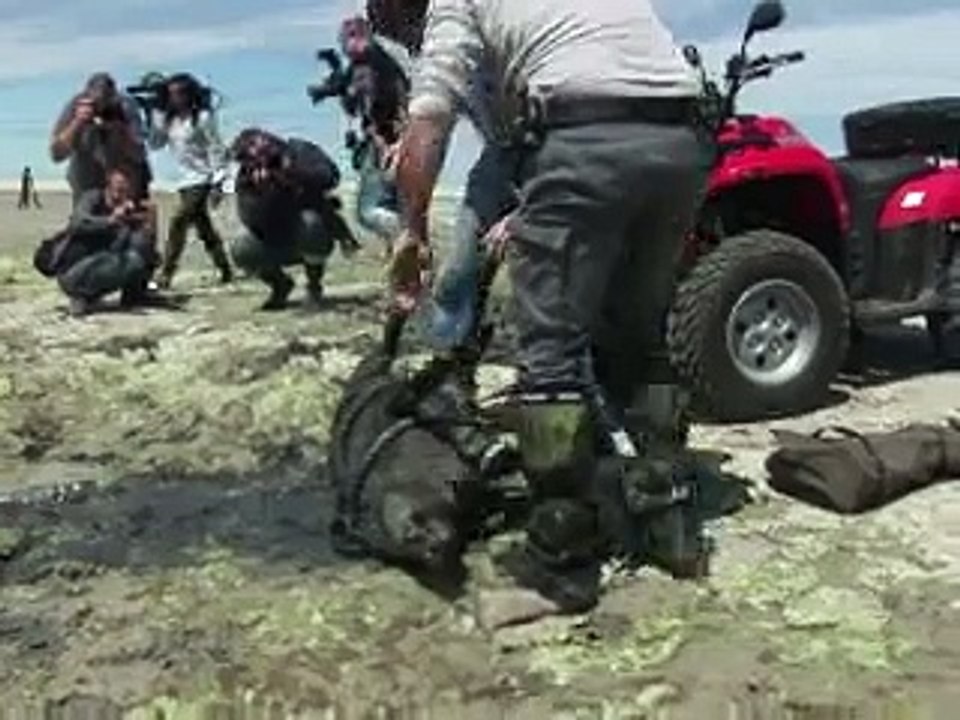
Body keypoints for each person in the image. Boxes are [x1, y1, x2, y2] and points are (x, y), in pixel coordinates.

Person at [382, 0, 713, 608]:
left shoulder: (454, 5)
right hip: (682, 140)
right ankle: (672, 522)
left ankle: (563, 548)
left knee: (551, 358)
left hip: (585, 138)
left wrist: (411, 231)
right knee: (642, 338)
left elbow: (430, 120)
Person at [229, 128, 359, 311]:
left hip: (310, 231)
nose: (258, 150)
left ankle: (314, 287)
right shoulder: (248, 176)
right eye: (250, 152)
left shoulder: (298, 150)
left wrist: (292, 173)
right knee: (240, 248)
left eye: (257, 142)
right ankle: (280, 286)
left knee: (310, 222)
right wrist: (265, 194)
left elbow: (330, 176)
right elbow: (249, 219)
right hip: (275, 236)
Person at [147, 73, 233, 289]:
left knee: (179, 221)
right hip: (183, 180)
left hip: (203, 177)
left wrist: (219, 181)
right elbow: (156, 143)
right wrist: (153, 113)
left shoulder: (202, 118)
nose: (175, 98)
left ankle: (166, 273)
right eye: (172, 94)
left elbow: (216, 148)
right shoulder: (170, 120)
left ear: (190, 94)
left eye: (179, 93)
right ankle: (224, 267)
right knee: (203, 227)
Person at [336, 15, 410, 248]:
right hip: (401, 139)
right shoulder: (378, 62)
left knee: (368, 211)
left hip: (387, 142)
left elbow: (379, 109)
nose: (345, 47)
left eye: (348, 39)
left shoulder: (371, 65)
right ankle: (408, 270)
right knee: (393, 204)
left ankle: (408, 238)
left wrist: (385, 143)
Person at [55, 168, 158, 317]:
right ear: (108, 185)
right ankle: (80, 296)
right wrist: (110, 220)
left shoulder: (127, 211)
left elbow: (138, 249)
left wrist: (149, 224)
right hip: (72, 269)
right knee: (131, 260)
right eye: (118, 186)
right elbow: (76, 223)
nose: (120, 191)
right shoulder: (92, 199)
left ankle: (133, 296)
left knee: (139, 253)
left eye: (125, 188)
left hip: (100, 264)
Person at [49, 73, 151, 207]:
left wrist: (120, 129)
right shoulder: (76, 105)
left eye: (106, 103)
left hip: (123, 184)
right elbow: (56, 155)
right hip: (86, 181)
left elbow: (139, 155)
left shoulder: (125, 107)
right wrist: (78, 123)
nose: (101, 110)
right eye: (96, 105)